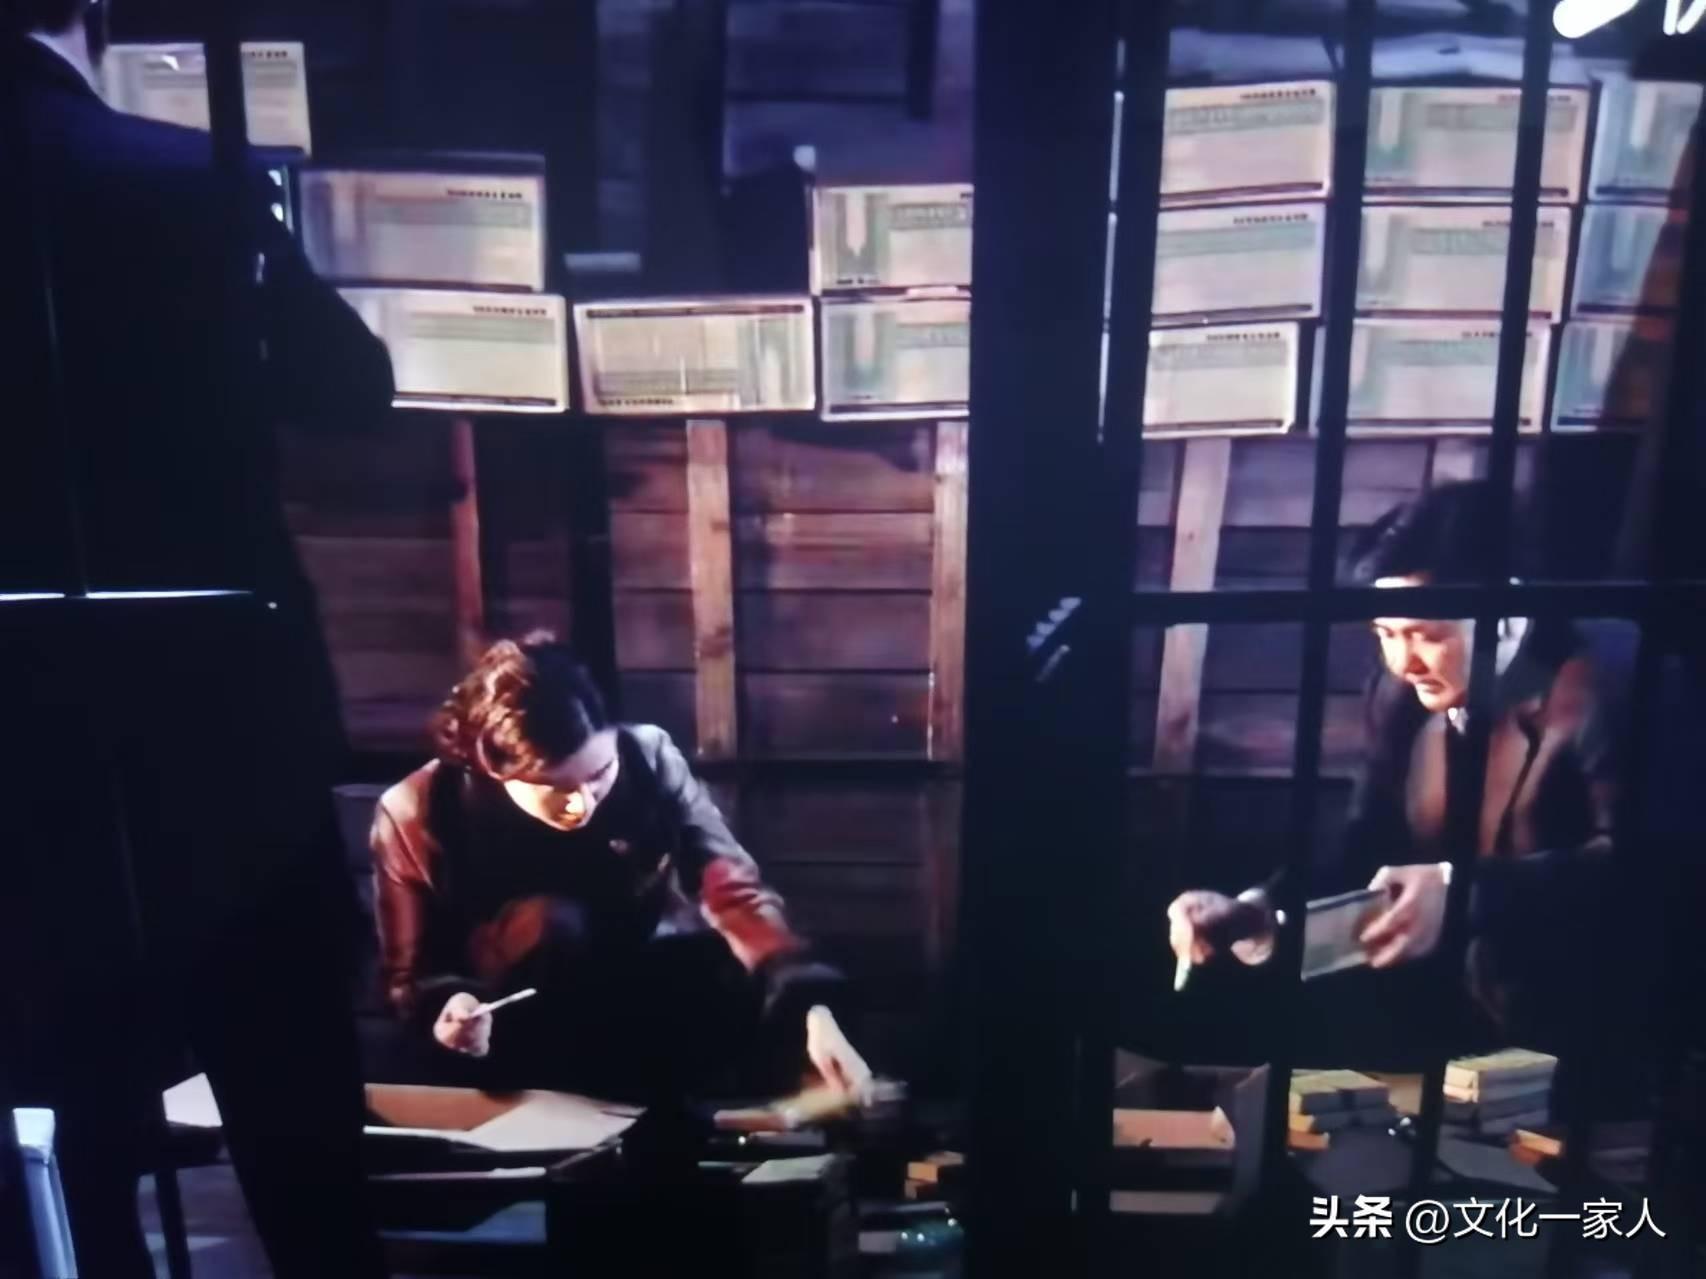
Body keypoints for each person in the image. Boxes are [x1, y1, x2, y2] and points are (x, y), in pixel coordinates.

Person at [2, 3, 394, 1275]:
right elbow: (350, 388)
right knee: (290, 1099)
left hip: (20, 733)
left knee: (66, 1119)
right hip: (218, 708)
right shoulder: (186, 178)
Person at [1165, 482, 1628, 1059]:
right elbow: (1365, 847)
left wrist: (1461, 893)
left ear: (1507, 619)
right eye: (1385, 634)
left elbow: (1649, 868)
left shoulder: (1607, 685)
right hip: (1437, 1026)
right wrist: (1260, 912)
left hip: (1587, 1029)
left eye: (1426, 636)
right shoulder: (1398, 693)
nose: (1402, 661)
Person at [370, 633, 874, 1103]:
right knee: (550, 924)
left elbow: (732, 893)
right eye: (554, 789)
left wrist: (809, 1009)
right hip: (507, 1040)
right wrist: (449, 1011)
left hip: (638, 1001)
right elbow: (410, 978)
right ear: (495, 771)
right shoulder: (420, 810)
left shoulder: (646, 757)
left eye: (598, 775)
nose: (582, 803)